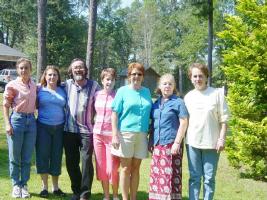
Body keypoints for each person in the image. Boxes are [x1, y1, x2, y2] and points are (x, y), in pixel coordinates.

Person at [184, 63, 230, 200]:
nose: (198, 79)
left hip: (212, 143)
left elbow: (224, 119)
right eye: (195, 76)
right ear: (191, 78)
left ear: (206, 77)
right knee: (194, 178)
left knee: (209, 179)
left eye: (200, 76)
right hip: (192, 143)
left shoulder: (217, 94)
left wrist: (222, 139)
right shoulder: (188, 97)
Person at [111, 62, 152, 200]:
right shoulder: (122, 91)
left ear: (143, 76)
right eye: (133, 74)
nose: (136, 76)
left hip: (142, 135)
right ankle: (124, 198)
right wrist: (115, 134)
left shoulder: (146, 92)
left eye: (139, 74)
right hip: (125, 134)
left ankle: (133, 197)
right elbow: (114, 114)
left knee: (136, 169)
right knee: (125, 168)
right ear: (129, 76)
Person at [63, 58, 100, 200]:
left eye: (80, 67)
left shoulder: (94, 86)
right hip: (69, 130)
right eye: (75, 68)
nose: (78, 70)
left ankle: (85, 194)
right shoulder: (66, 85)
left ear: (85, 70)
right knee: (71, 162)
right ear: (71, 71)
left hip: (87, 131)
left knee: (86, 162)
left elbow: (102, 102)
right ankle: (76, 190)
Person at [148, 74, 188, 200]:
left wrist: (177, 142)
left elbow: (184, 122)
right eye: (165, 83)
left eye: (170, 84)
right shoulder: (155, 103)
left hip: (171, 144)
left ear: (174, 86)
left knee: (169, 177)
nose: (167, 86)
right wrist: (150, 141)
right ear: (160, 86)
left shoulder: (178, 102)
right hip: (157, 145)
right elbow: (153, 124)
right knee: (157, 176)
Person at [3, 58, 37, 198]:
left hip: (31, 121)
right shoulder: (12, 85)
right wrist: (7, 123)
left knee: (27, 157)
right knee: (15, 156)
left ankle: (24, 184)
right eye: (21, 68)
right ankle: (16, 184)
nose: (24, 70)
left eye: (26, 68)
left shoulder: (34, 85)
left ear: (31, 69)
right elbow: (5, 105)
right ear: (17, 69)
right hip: (17, 120)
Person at [36, 65, 66, 198]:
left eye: (54, 74)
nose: (52, 77)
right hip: (43, 127)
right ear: (45, 76)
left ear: (58, 77)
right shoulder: (39, 90)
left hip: (59, 128)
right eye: (49, 75)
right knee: (43, 156)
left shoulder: (63, 90)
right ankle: (44, 188)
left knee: (56, 157)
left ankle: (55, 187)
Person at [93, 68, 120, 200]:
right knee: (101, 168)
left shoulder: (118, 96)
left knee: (113, 168)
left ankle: (115, 195)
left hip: (112, 136)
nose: (109, 82)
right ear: (102, 80)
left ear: (115, 81)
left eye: (112, 79)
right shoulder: (96, 94)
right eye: (107, 79)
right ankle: (106, 196)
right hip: (97, 135)